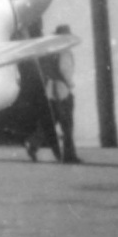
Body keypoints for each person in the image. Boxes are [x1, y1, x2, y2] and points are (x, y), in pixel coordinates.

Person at [25, 25, 81, 164]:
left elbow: (43, 69)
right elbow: (64, 68)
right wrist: (70, 83)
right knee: (67, 124)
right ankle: (69, 155)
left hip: (51, 90)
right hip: (62, 90)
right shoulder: (64, 51)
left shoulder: (50, 51)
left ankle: (33, 143)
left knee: (50, 121)